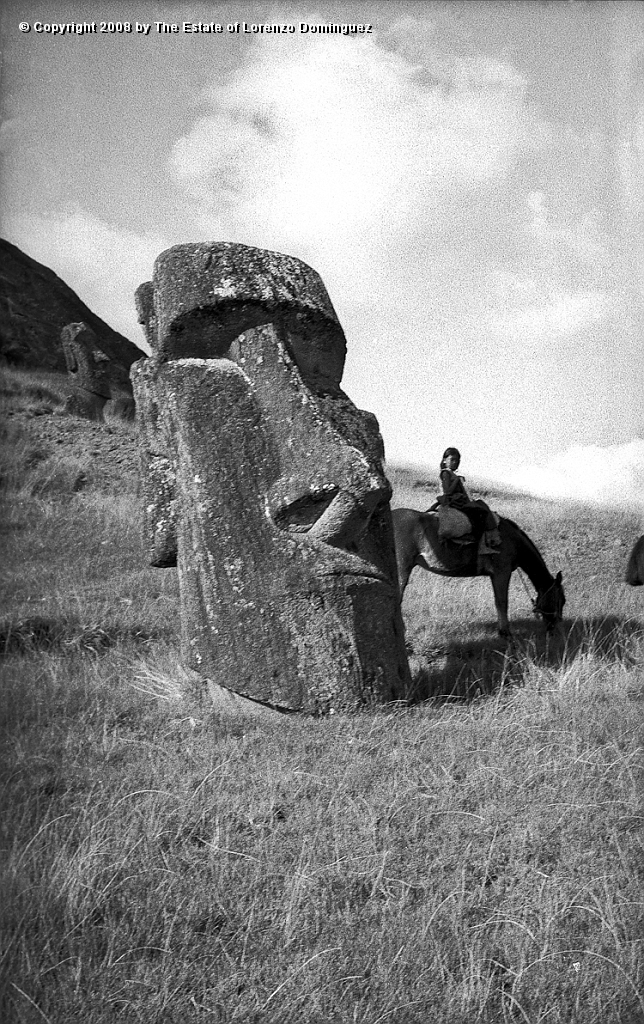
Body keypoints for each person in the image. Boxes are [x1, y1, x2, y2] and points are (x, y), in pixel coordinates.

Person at [428, 447, 501, 550]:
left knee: (480, 505)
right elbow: (447, 491)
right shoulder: (446, 473)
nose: (455, 463)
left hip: (458, 500)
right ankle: (484, 540)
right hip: (453, 502)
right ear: (445, 460)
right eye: (452, 460)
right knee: (479, 511)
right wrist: (457, 480)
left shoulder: (452, 474)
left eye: (457, 460)